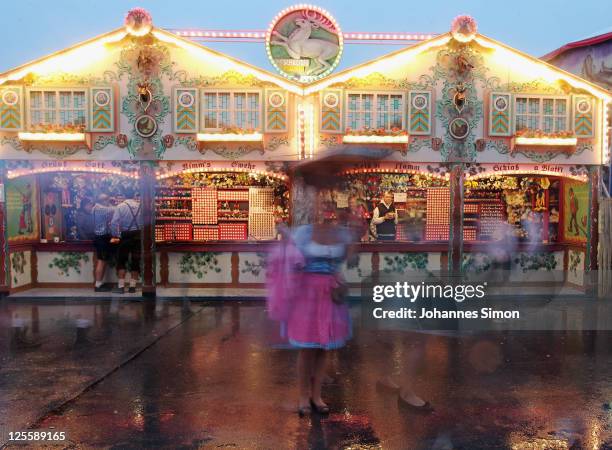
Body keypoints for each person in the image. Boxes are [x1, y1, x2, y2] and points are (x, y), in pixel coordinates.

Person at [287, 196, 355, 417]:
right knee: (307, 348)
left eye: (330, 205)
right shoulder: (303, 233)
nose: (326, 209)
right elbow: (291, 261)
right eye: (322, 205)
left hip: (332, 293)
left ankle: (317, 396)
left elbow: (347, 261)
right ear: (314, 208)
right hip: (308, 294)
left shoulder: (341, 234)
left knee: (324, 347)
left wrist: (354, 237)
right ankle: (303, 396)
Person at [110, 188, 142, 294]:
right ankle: (132, 287)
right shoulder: (140, 206)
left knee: (122, 261)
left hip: (125, 236)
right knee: (135, 261)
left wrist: (116, 235)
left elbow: (114, 222)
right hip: (137, 235)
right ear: (134, 195)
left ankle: (121, 287)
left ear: (124, 195)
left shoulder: (120, 206)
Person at [92, 194, 116, 292]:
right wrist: (112, 203)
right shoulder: (99, 208)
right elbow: (114, 209)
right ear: (104, 201)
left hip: (101, 237)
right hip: (101, 238)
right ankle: (97, 285)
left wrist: (110, 202)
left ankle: (100, 283)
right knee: (101, 261)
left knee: (103, 260)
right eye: (107, 200)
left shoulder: (97, 207)